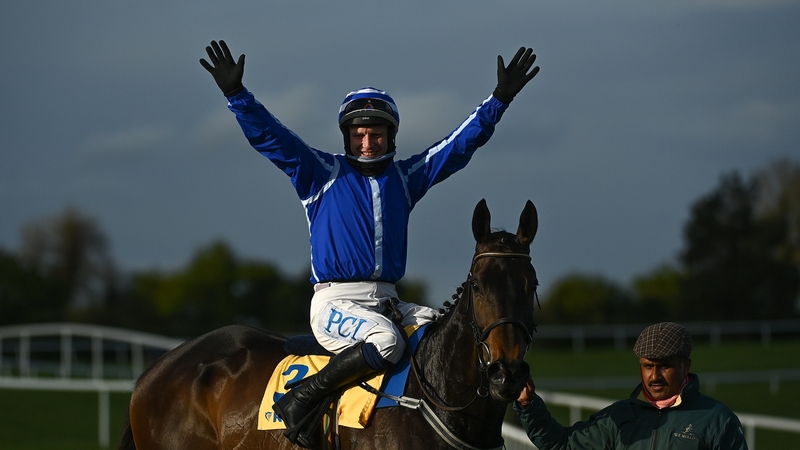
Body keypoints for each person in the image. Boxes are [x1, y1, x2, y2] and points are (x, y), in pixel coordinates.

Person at [200, 39, 539, 448]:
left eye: (375, 134)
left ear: (390, 136)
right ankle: (301, 401)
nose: (367, 142)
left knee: (443, 330)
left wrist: (499, 99)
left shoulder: (405, 178)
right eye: (359, 134)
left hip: (388, 302)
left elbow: (457, 147)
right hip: (335, 304)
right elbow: (273, 137)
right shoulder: (318, 173)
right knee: (387, 342)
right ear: (346, 136)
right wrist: (237, 96)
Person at [514, 322, 748, 449]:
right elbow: (562, 445)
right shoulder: (620, 417)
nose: (654, 376)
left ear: (685, 366)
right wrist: (528, 404)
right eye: (647, 366)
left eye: (664, 366)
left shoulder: (717, 420)